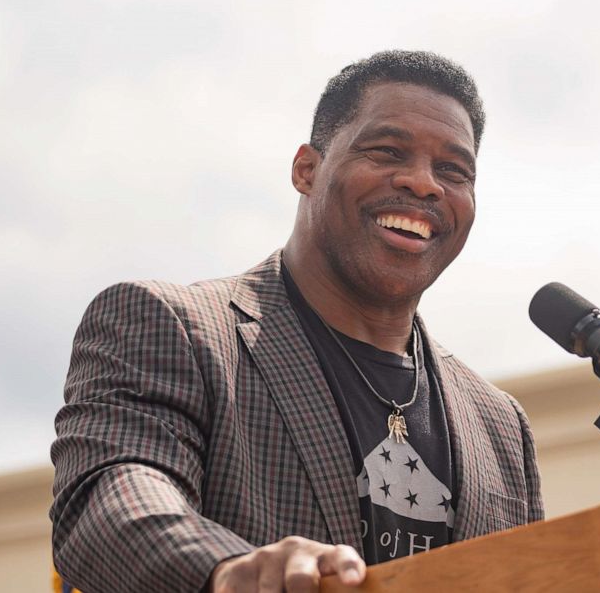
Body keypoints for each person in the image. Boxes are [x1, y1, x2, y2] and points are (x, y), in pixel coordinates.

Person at [50, 50, 544, 593]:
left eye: (453, 171)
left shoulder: (500, 425)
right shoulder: (174, 326)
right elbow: (111, 495)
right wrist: (227, 568)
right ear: (306, 169)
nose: (424, 184)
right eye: (387, 151)